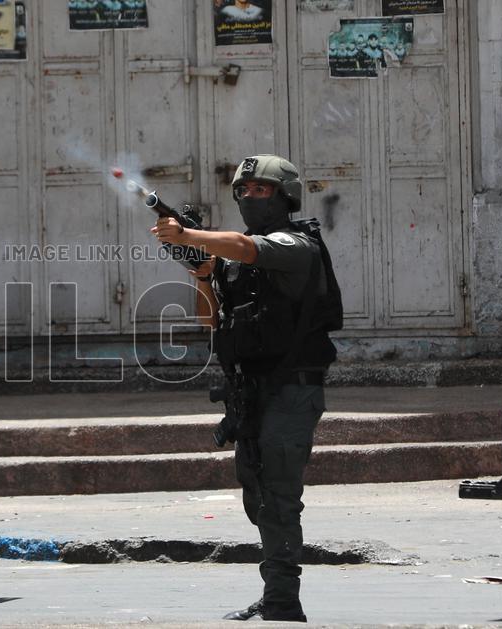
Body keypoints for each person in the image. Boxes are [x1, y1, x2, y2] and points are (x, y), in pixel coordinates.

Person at [153, 155, 339, 623]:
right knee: (257, 495)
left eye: (262, 190)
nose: (251, 198)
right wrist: (201, 275)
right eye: (244, 191)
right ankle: (275, 589)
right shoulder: (237, 262)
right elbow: (208, 318)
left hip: (292, 389)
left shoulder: (297, 245)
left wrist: (189, 235)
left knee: (278, 494)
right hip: (253, 391)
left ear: (285, 196)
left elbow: (245, 245)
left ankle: (282, 601)